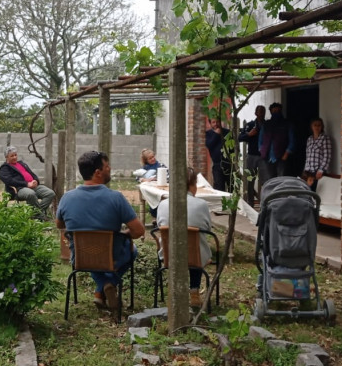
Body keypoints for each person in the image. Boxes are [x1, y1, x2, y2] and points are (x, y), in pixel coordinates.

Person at [56, 151, 146, 309]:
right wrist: (125, 233)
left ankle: (100, 291)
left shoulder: (67, 198)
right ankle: (108, 283)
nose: (110, 168)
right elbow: (138, 231)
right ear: (98, 172)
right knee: (132, 250)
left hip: (80, 258)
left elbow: (59, 225)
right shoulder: (116, 198)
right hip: (111, 257)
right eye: (107, 166)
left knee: (91, 252)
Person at [155, 166, 214, 307]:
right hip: (195, 256)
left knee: (185, 249)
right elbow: (207, 228)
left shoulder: (162, 204)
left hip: (169, 255)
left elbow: (159, 224)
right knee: (195, 249)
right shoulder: (201, 205)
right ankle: (194, 290)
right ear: (193, 185)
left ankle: (175, 291)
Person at [0, 146, 56, 219]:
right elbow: (8, 180)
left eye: (15, 155)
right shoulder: (5, 168)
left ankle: (36, 215)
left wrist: (35, 181)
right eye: (12, 156)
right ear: (6, 157)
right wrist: (26, 184)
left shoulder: (21, 164)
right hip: (20, 189)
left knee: (50, 193)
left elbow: (32, 174)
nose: (14, 157)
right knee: (31, 194)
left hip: (33, 186)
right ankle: (39, 216)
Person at [259, 102, 295, 186]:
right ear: (271, 112)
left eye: (278, 111)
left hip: (281, 157)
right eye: (274, 111)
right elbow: (260, 140)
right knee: (269, 181)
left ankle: (280, 194)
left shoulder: (287, 124)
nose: (276, 112)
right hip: (268, 157)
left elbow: (292, 141)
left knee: (281, 181)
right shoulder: (266, 124)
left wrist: (287, 153)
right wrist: (262, 151)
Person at [238, 105, 266, 207]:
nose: (261, 114)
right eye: (260, 112)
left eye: (263, 112)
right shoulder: (250, 125)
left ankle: (264, 203)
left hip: (263, 156)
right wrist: (249, 134)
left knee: (264, 180)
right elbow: (240, 137)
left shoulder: (267, 125)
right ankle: (250, 203)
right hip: (252, 155)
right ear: (255, 113)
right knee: (250, 180)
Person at [302, 117, 332, 192]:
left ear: (322, 127)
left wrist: (321, 170)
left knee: (317, 192)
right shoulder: (309, 139)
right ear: (311, 127)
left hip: (318, 172)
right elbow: (307, 155)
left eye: (319, 125)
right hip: (309, 171)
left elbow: (327, 156)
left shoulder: (325, 138)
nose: (317, 127)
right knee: (308, 192)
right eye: (315, 125)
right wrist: (305, 170)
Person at [205, 117, 232, 192]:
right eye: (213, 122)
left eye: (217, 122)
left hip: (229, 164)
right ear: (210, 123)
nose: (216, 124)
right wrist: (216, 134)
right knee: (219, 188)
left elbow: (232, 147)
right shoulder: (208, 134)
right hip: (217, 165)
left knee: (231, 187)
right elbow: (209, 145)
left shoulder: (227, 132)